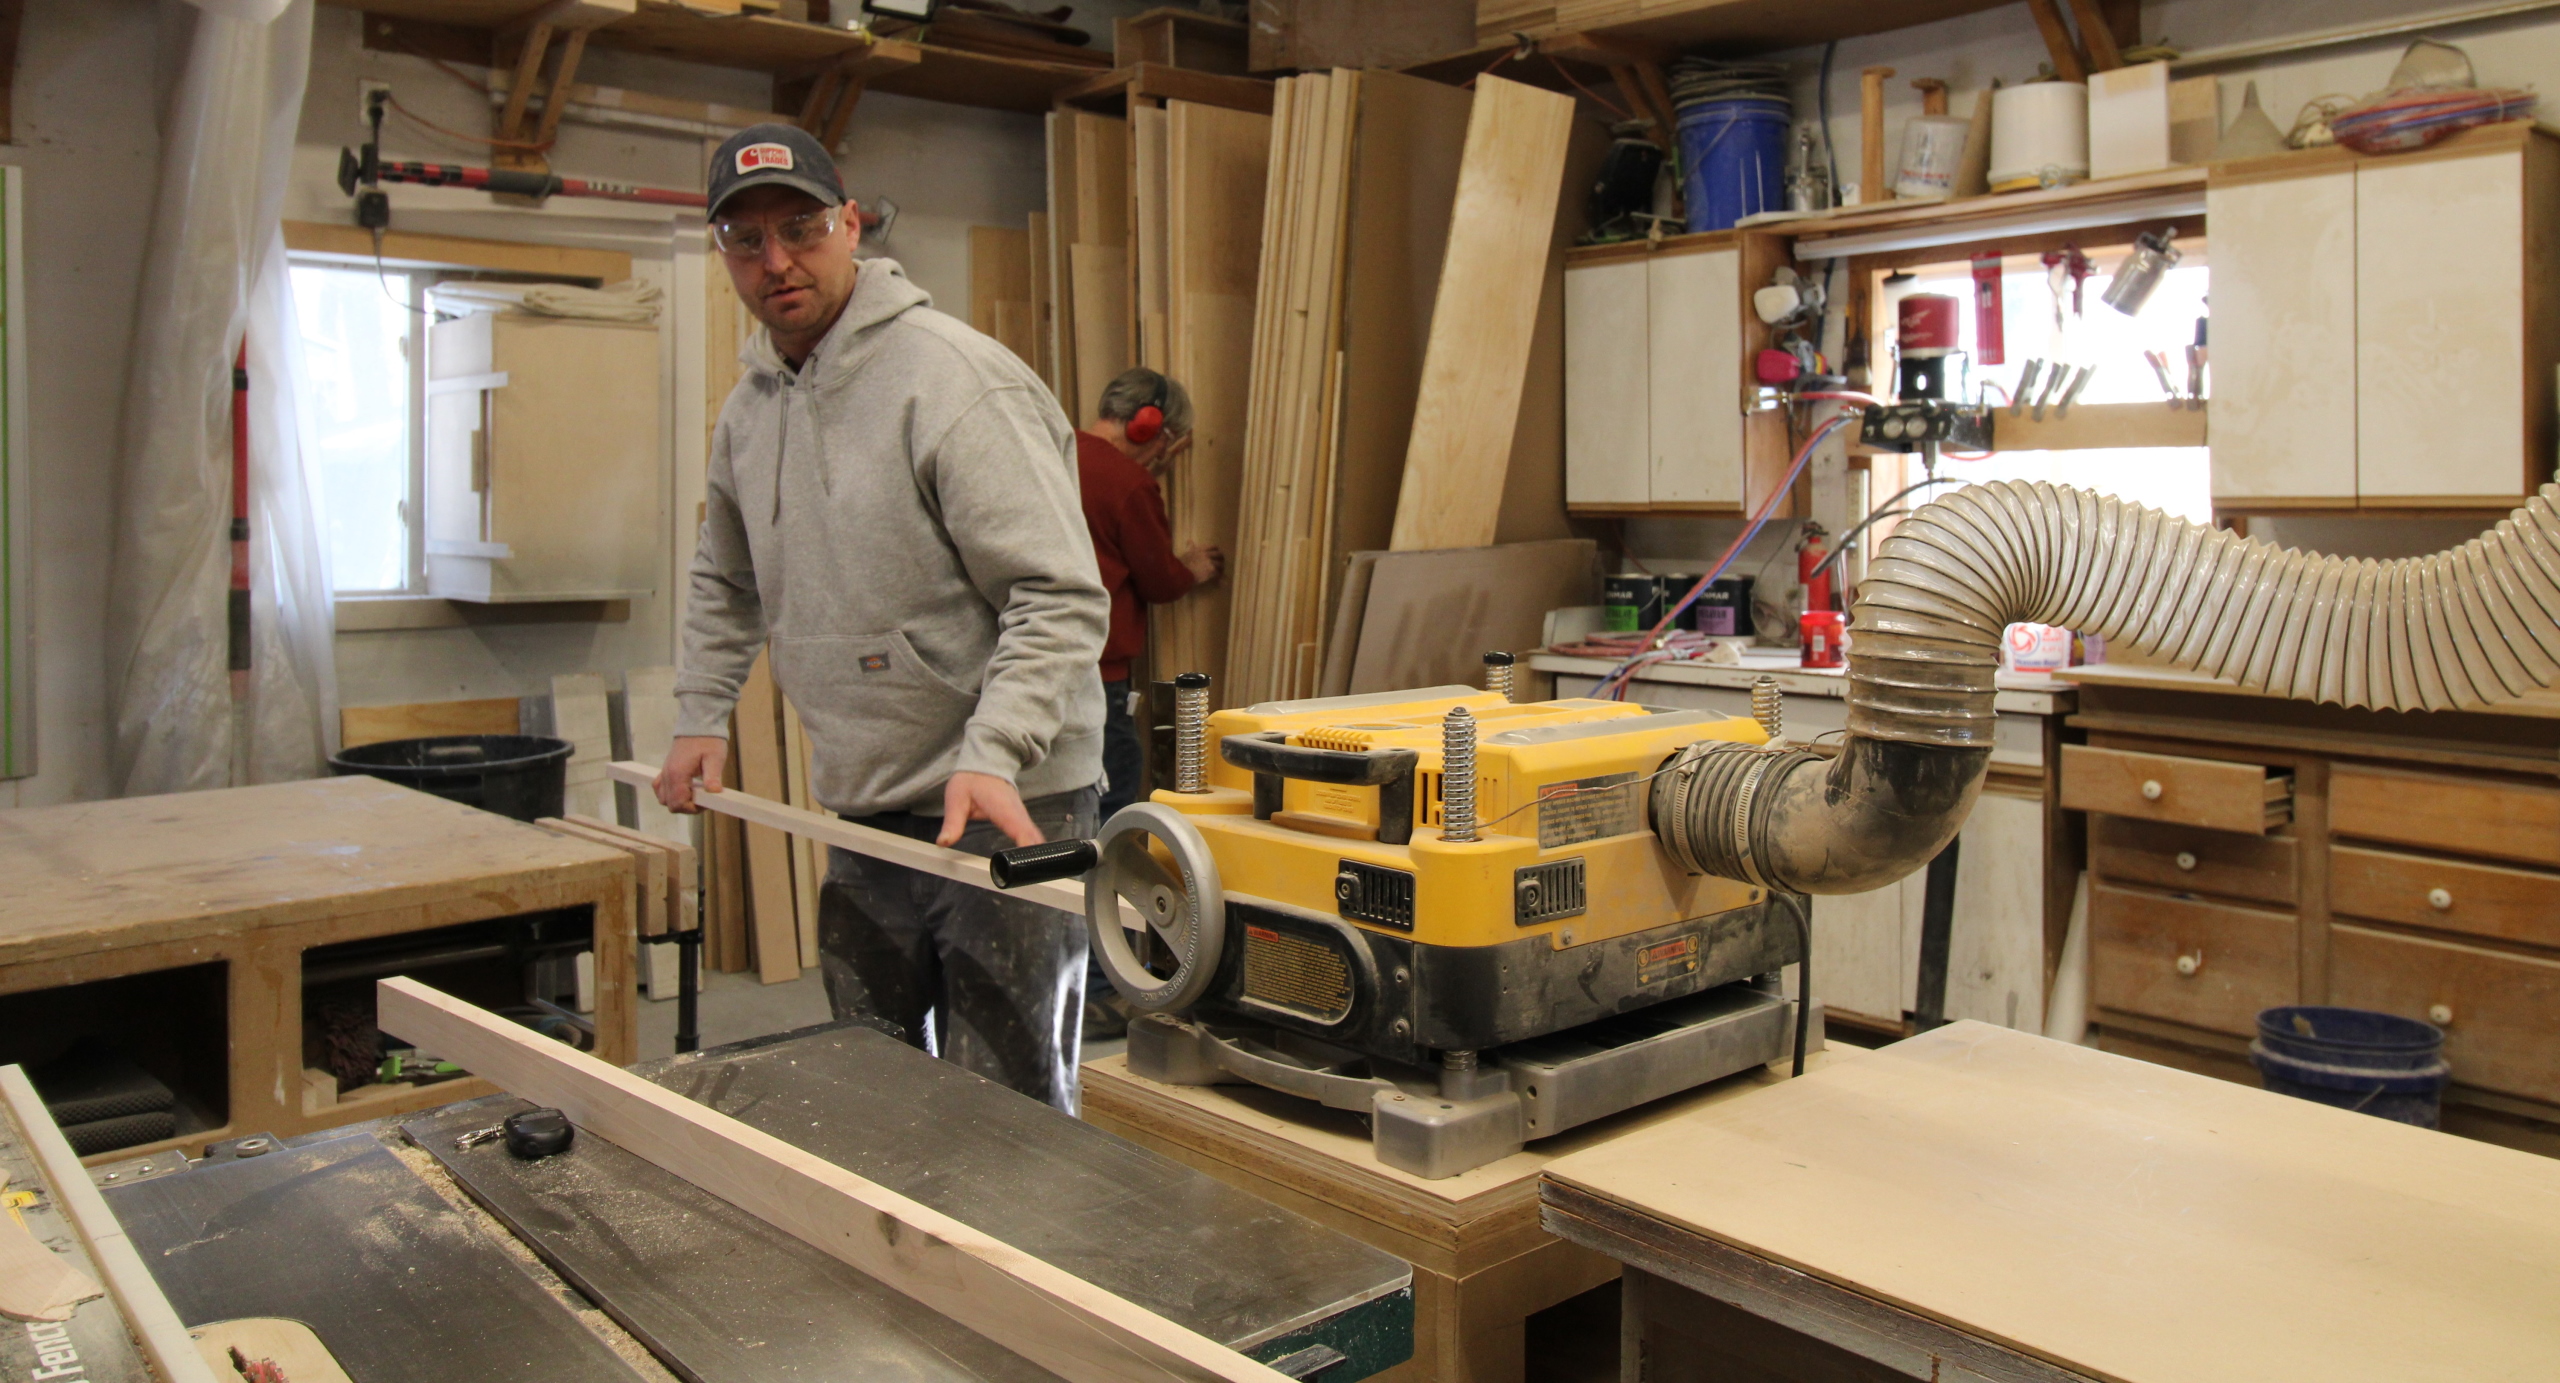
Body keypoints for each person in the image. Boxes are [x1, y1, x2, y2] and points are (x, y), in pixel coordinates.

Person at [653, 124, 1109, 1113]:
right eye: (746, 240)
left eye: (801, 228)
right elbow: (726, 578)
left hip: (1010, 798)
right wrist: (699, 714)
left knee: (1008, 1111)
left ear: (850, 225)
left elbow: (1058, 594)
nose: (777, 262)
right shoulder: (749, 410)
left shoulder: (954, 381)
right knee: (872, 1085)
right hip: (868, 799)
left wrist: (996, 748)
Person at [1073, 368, 1221, 1039]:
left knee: (1060, 825)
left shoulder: (1052, 450)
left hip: (1034, 680)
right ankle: (1103, 988)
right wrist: (1192, 567)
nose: (1164, 455)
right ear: (1147, 425)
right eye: (1167, 442)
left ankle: (1071, 977)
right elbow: (1158, 579)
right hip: (1097, 680)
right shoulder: (1128, 483)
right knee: (1109, 830)